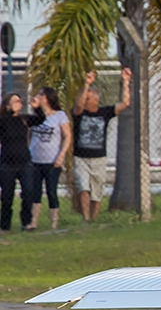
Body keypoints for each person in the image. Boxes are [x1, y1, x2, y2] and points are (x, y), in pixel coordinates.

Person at [71, 68, 131, 222]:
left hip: (99, 159)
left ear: (95, 100)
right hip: (81, 158)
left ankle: (94, 219)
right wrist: (86, 84)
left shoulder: (105, 112)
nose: (84, 100)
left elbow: (125, 103)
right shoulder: (79, 113)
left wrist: (125, 82)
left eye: (87, 98)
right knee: (83, 188)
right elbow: (78, 105)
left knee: (97, 192)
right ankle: (86, 219)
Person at [24, 86, 70, 230]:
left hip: (52, 160)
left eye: (41, 95)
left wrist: (61, 155)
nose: (38, 97)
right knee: (35, 192)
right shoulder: (35, 116)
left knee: (51, 190)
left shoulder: (59, 115)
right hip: (35, 159)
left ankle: (54, 224)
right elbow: (29, 135)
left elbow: (67, 136)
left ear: (48, 98)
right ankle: (34, 222)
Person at [0, 92, 40, 230]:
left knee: (28, 192)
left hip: (24, 162)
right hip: (7, 163)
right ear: (7, 105)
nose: (19, 103)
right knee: (7, 196)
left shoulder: (24, 119)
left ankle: (26, 222)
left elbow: (40, 120)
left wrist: (37, 108)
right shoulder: (3, 120)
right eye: (15, 101)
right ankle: (5, 225)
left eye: (20, 101)